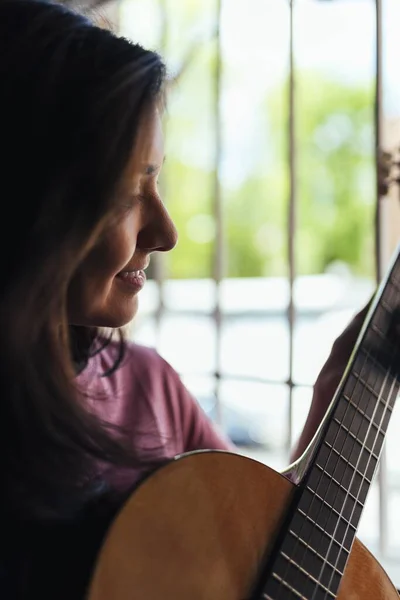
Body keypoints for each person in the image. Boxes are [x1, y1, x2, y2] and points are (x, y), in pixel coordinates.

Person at [0, 0, 372, 597]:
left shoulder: (149, 387)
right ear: (33, 202)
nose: (167, 233)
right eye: (128, 193)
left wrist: (342, 382)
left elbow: (253, 548)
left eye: (159, 180)